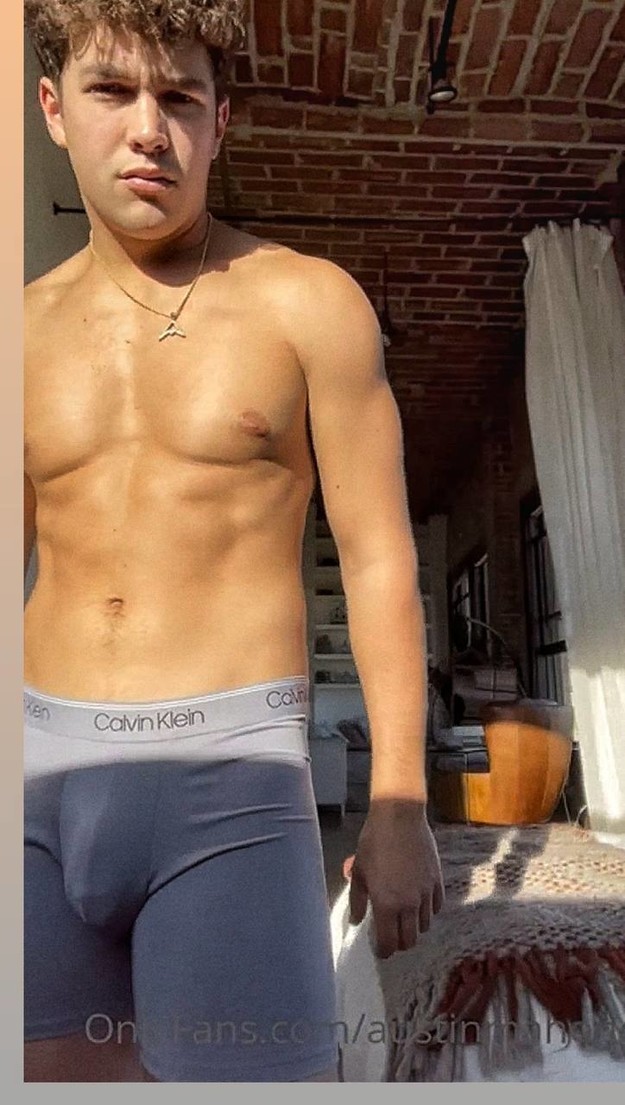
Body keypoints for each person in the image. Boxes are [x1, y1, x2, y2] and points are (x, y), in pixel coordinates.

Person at [23, 0, 444, 1083]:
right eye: (112, 91)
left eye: (179, 98)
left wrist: (400, 801)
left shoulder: (308, 304)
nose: (148, 129)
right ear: (54, 110)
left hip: (230, 783)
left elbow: (379, 556)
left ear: (221, 122)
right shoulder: (18, 334)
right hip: (37, 776)